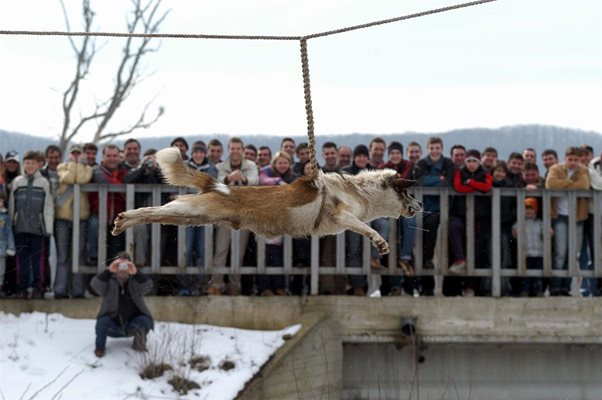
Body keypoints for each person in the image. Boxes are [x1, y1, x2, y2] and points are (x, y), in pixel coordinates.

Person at [207, 137, 259, 295]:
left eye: (238, 148)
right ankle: (216, 284)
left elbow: (255, 181)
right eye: (232, 148)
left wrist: (243, 179)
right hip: (225, 213)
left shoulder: (250, 165)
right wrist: (228, 179)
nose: (235, 151)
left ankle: (234, 285)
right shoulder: (221, 166)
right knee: (220, 250)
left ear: (242, 150)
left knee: (239, 252)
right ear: (228, 150)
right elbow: (216, 183)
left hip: (243, 214)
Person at [545, 146, 590, 296]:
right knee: (560, 252)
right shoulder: (556, 169)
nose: (573, 162)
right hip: (560, 215)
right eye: (570, 159)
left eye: (576, 160)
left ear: (579, 160)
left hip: (577, 216)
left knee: (573, 253)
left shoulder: (583, 170)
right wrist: (570, 183)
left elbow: (584, 186)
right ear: (565, 159)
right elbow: (550, 185)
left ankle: (566, 287)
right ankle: (555, 287)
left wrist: (564, 184)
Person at [9, 151, 54, 299]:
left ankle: (37, 287)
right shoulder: (17, 182)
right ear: (23, 164)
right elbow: (11, 205)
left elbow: (48, 206)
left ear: (38, 164)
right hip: (20, 227)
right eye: (27, 163)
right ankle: (22, 287)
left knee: (37, 259)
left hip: (37, 228)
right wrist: (11, 222)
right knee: (21, 259)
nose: (29, 166)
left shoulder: (44, 182)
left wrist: (47, 226)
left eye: (33, 163)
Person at [413, 136, 455, 295]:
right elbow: (419, 181)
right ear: (428, 149)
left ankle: (442, 286)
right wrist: (439, 178)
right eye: (432, 148)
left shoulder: (448, 163)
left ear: (441, 149)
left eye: (438, 148)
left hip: (443, 208)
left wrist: (433, 180)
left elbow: (448, 182)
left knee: (439, 242)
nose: (435, 151)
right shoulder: (422, 163)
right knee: (424, 241)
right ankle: (425, 286)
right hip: (424, 208)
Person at [91, 252, 154, 358]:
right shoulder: (109, 281)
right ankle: (99, 348)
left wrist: (136, 272)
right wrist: (109, 271)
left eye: (125, 265)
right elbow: (95, 285)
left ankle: (139, 344)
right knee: (102, 322)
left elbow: (148, 286)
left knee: (145, 320)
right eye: (120, 265)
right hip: (113, 325)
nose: (122, 268)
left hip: (132, 325)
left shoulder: (135, 281)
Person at [448, 150, 493, 296]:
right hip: (461, 215)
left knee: (478, 251)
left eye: (474, 161)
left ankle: (471, 286)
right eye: (469, 161)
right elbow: (458, 187)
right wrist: (474, 187)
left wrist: (471, 183)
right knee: (454, 229)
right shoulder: (459, 173)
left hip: (480, 217)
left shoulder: (485, 173)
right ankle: (460, 261)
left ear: (479, 162)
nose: (471, 165)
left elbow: (487, 187)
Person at [54, 144, 93, 299]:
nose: (76, 155)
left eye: (78, 153)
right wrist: (74, 164)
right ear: (69, 155)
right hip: (63, 217)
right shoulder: (62, 167)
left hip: (81, 217)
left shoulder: (88, 168)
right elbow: (69, 178)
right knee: (63, 256)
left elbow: (81, 180)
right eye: (73, 153)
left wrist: (78, 165)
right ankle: (60, 290)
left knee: (79, 254)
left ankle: (78, 291)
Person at [181, 143, 218, 295]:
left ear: (204, 154)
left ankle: (199, 285)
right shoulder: (186, 167)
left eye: (201, 152)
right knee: (186, 250)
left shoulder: (211, 168)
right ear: (192, 153)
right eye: (196, 152)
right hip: (188, 214)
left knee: (202, 250)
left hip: (205, 214)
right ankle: (184, 285)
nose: (198, 155)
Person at [257, 151, 295, 295]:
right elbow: (263, 179)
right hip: (266, 219)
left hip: (284, 221)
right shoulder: (267, 171)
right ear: (274, 163)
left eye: (285, 163)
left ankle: (279, 287)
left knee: (279, 257)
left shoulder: (292, 176)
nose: (283, 165)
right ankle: (265, 287)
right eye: (280, 162)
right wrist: (278, 182)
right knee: (265, 255)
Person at [341, 144, 372, 295]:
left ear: (368, 158)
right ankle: (358, 286)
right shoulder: (346, 172)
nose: (361, 159)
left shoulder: (374, 172)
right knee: (354, 251)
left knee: (370, 249)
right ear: (355, 158)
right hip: (353, 217)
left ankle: (367, 285)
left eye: (364, 156)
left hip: (372, 216)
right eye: (359, 156)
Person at [90, 144, 128, 262]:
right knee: (98, 257)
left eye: (115, 156)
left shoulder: (124, 171)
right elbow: (107, 182)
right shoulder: (97, 170)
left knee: (114, 255)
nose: (112, 158)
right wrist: (123, 186)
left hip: (117, 219)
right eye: (109, 156)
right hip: (100, 216)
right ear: (103, 157)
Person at [512, 197, 547, 297]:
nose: (528, 211)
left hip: (538, 253)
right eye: (526, 209)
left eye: (531, 208)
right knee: (525, 275)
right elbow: (514, 231)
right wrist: (515, 232)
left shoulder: (540, 223)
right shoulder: (519, 223)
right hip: (525, 253)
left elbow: (545, 232)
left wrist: (548, 232)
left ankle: (538, 290)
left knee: (538, 274)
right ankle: (525, 290)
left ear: (535, 210)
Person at [0, 192, 16, 298]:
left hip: (2, 248)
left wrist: (11, 247)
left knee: (1, 270)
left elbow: (9, 232)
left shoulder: (5, 217)